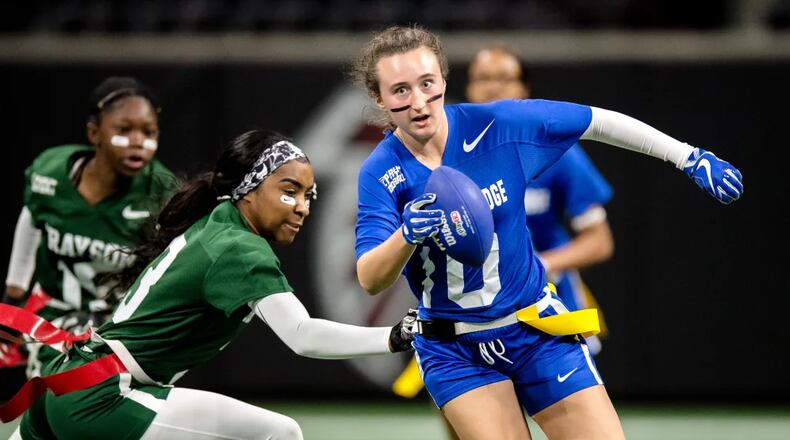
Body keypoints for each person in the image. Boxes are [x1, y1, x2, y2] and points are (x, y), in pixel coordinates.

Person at [351, 25, 742, 440]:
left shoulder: (500, 125)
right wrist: (406, 235)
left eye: (427, 83)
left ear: (444, 79)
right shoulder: (380, 172)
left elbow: (597, 121)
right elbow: (370, 278)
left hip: (534, 329)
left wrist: (687, 156)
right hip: (455, 350)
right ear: (379, 99)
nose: (417, 102)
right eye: (400, 91)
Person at [7, 129, 415, 440]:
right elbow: (302, 335)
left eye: (310, 194)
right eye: (289, 191)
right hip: (107, 396)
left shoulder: (217, 221)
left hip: (66, 384)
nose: (304, 207)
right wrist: (394, 337)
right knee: (282, 434)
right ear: (249, 189)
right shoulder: (238, 248)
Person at [1, 77, 178, 379]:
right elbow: (33, 216)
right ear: (94, 132)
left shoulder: (160, 192)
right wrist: (13, 295)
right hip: (54, 315)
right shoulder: (51, 173)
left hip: (121, 326)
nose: (138, 141)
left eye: (148, 132)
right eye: (124, 130)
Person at [467, 44, 614, 355]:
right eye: (482, 78)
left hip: (548, 301)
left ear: (524, 86)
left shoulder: (557, 152)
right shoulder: (449, 155)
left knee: (569, 402)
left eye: (504, 77)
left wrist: (541, 264)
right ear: (468, 88)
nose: (493, 86)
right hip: (475, 304)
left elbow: (600, 241)